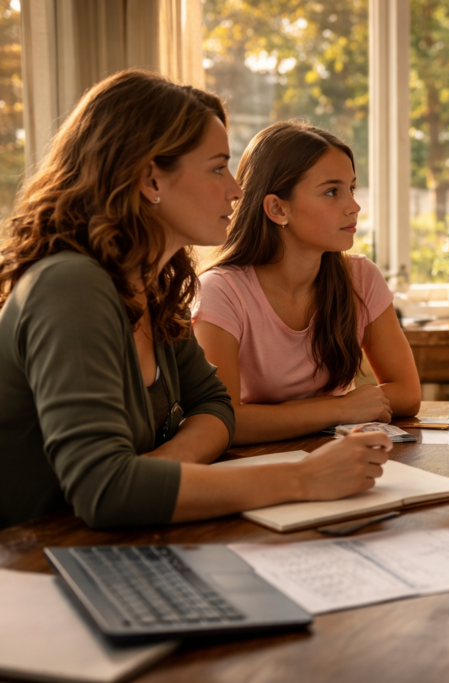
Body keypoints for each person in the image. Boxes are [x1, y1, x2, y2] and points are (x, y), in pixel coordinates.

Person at [0, 71, 391, 531]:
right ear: (151, 180)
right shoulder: (70, 286)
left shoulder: (155, 287)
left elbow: (215, 404)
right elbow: (105, 491)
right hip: (32, 567)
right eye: (217, 167)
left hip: (111, 546)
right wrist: (302, 478)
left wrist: (159, 469)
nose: (236, 189)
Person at [193, 121, 420, 444]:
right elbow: (224, 420)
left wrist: (305, 415)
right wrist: (339, 409)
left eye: (351, 188)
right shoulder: (220, 291)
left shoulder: (361, 277)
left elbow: (408, 394)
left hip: (341, 457)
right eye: (332, 192)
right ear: (277, 208)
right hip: (256, 468)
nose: (354, 206)